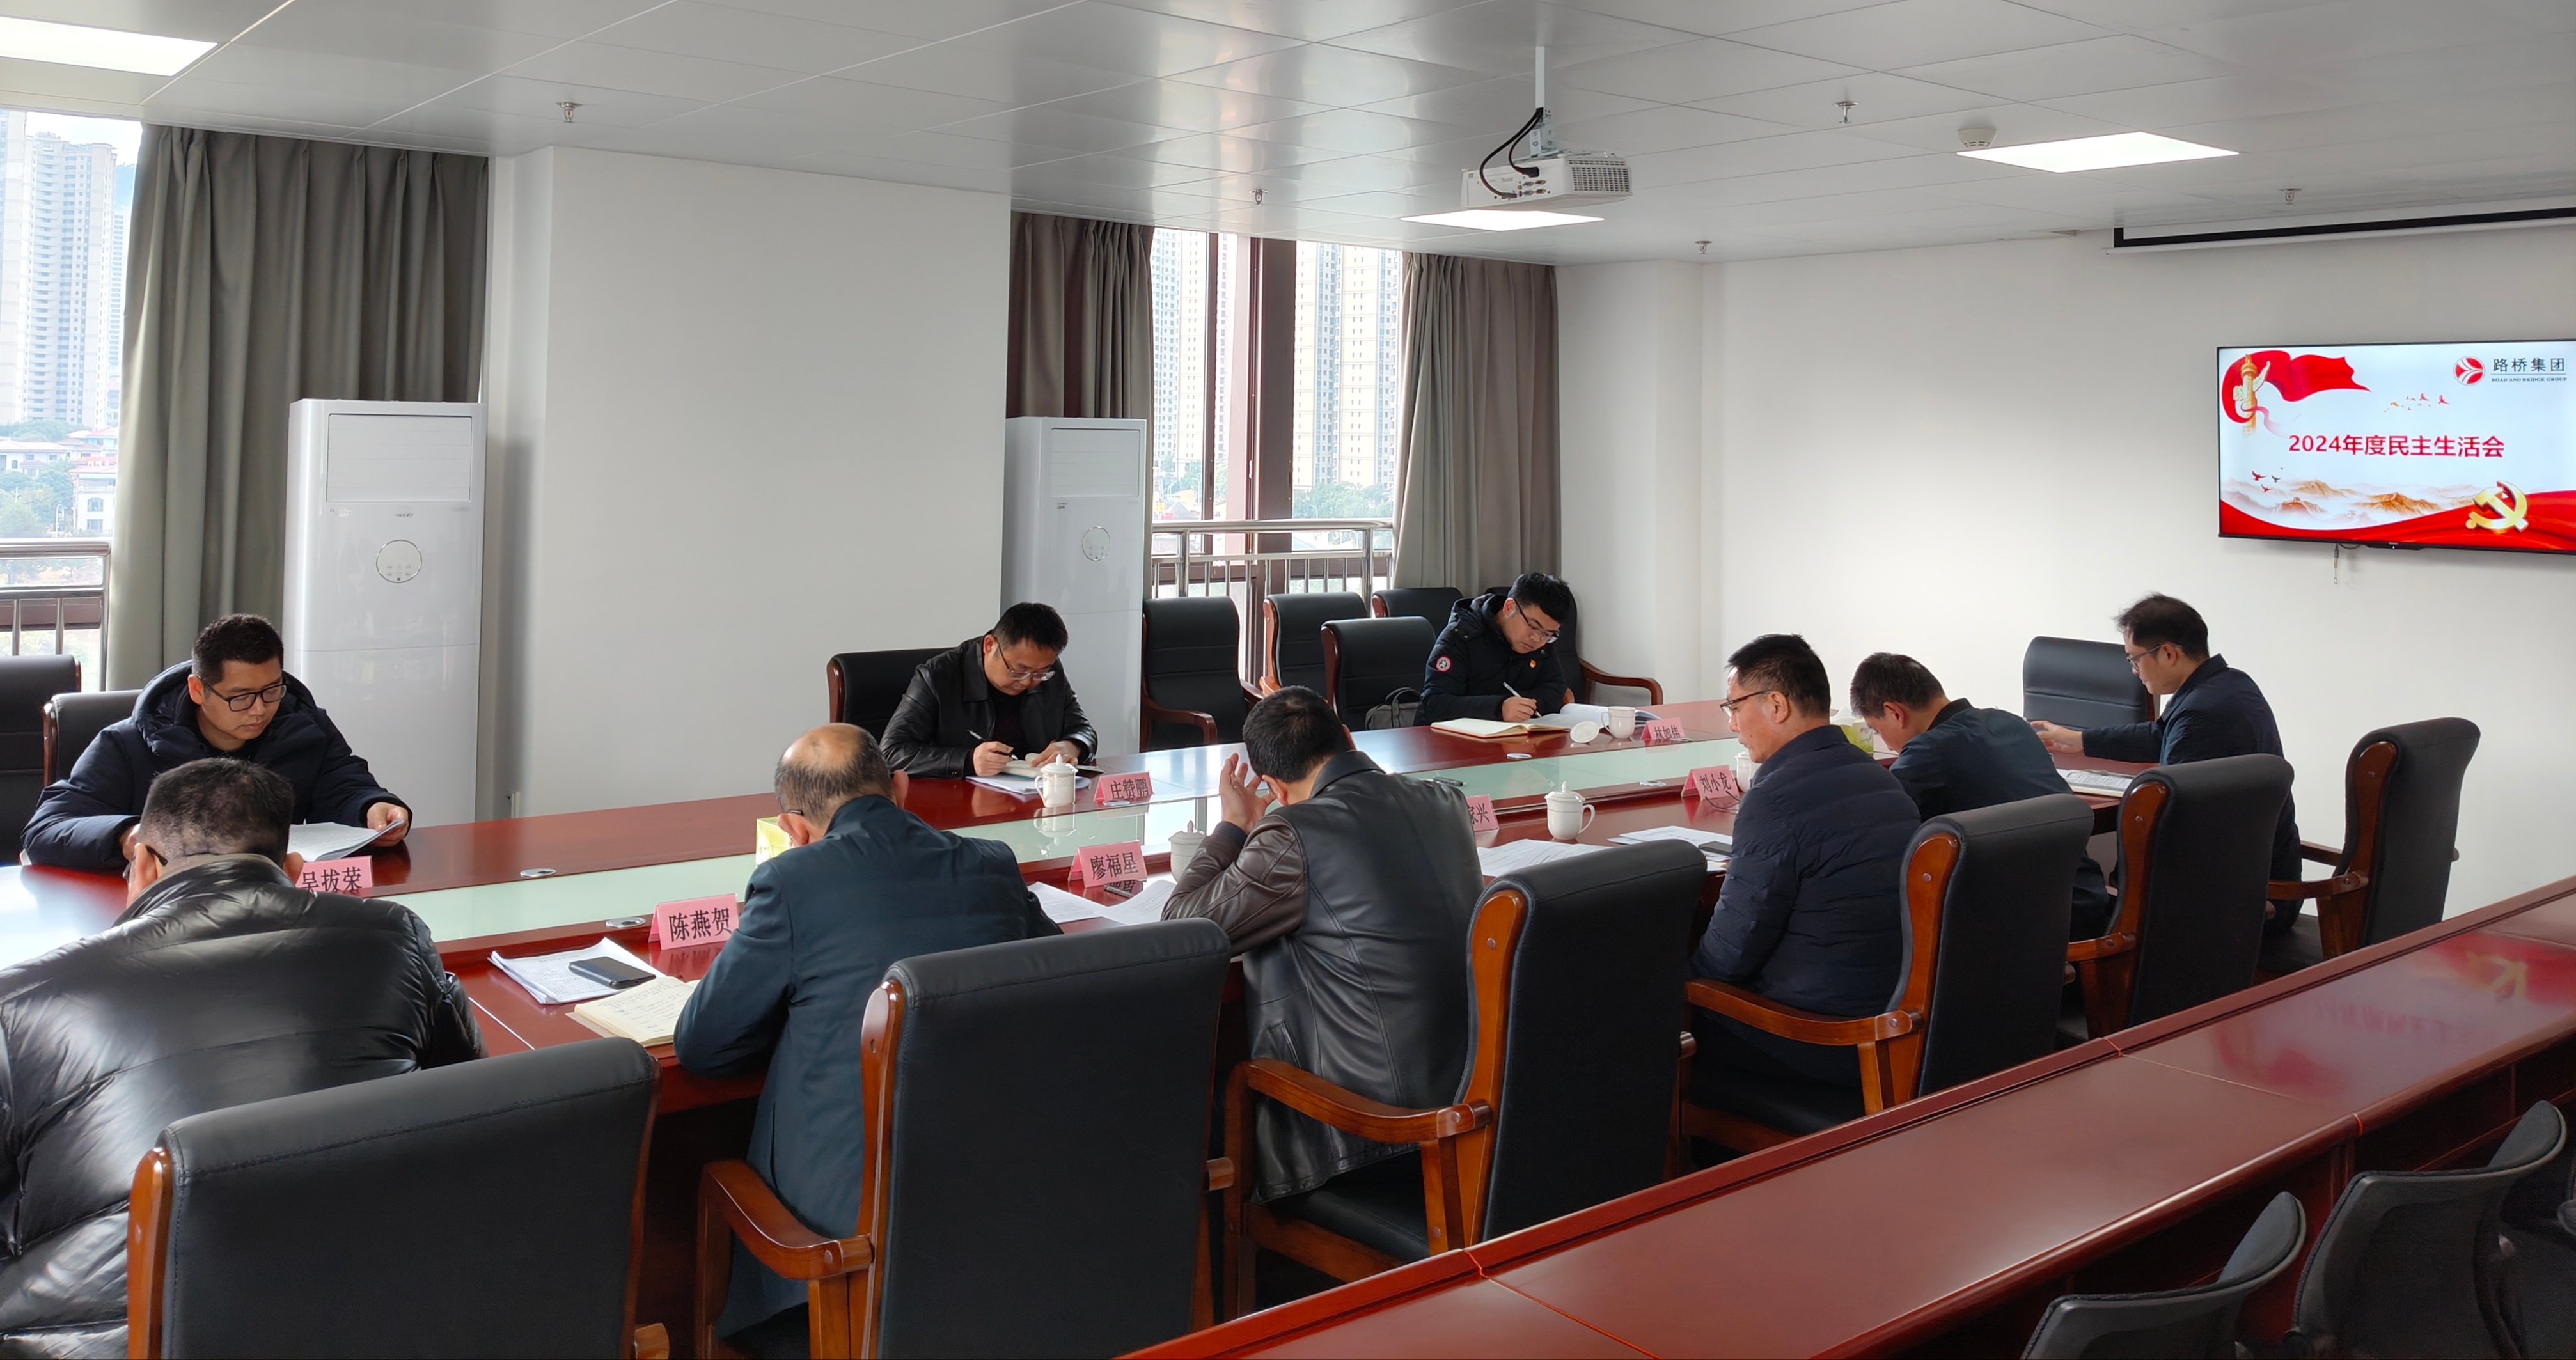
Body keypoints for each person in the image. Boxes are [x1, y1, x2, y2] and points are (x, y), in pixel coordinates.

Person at [0, 758, 480, 1354]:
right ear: (296, 870)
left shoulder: (20, 998)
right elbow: (473, 1103)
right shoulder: (395, 937)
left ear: (142, 863)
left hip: (105, 1339)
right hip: (373, 1310)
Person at [675, 723, 1060, 1346]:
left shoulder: (791, 882)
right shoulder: (991, 864)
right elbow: (1061, 976)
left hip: (841, 1248)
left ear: (793, 829)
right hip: (996, 1219)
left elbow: (702, 1046)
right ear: (900, 787)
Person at [1163, 687, 1482, 1201]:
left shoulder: (1293, 832)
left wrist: (1232, 826)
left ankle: (1246, 1253)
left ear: (1274, 787)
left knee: (1195, 1107)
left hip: (1372, 1137)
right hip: (1469, 1106)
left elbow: (1182, 927)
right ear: (1349, 739)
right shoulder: (1445, 801)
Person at [1692, 635, 1919, 1095]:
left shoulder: (1775, 799)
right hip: (1895, 1019)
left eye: (1734, 707)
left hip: (1820, 1037)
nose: (1732, 723)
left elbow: (1729, 955)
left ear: (1776, 705)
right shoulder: (1880, 778)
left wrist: (1674, 979)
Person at [24, 613, 408, 873]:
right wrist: (126, 835)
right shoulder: (127, 743)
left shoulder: (305, 727)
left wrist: (372, 807)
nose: (259, 710)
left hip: (276, 900)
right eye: (240, 697)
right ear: (198, 689)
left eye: (272, 691)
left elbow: (343, 784)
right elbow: (47, 828)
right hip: (169, 911)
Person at [2029, 594, 2302, 936]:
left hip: (2240, 909)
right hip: (2263, 884)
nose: (2134, 671)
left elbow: (2171, 825)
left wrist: (2113, 880)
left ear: (2169, 653)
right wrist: (2079, 740)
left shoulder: (2202, 716)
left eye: (2135, 660)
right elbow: (2160, 734)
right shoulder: (2228, 685)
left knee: (2071, 901)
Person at [1851, 652, 2113, 937]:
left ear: (1895, 713)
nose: (1887, 744)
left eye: (1877, 729)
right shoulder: (2012, 723)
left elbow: (1875, 831)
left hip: (2021, 932)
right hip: (2085, 902)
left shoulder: (1928, 753)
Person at [881, 602, 1098, 778]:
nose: (1028, 682)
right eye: (1019, 670)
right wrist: (967, 760)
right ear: (989, 645)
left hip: (1036, 795)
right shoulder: (938, 676)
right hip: (961, 800)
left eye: (1041, 673)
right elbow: (890, 753)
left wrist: (1072, 746)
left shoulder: (1050, 671)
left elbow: (1083, 729)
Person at [1416, 572, 1578, 724]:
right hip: (1446, 739)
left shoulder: (1542, 643)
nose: (1537, 639)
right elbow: (1435, 704)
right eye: (1533, 626)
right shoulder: (1461, 635)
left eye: (1547, 634)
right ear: (1509, 608)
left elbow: (1556, 689)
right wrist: (1499, 708)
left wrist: (1519, 707)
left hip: (1513, 736)